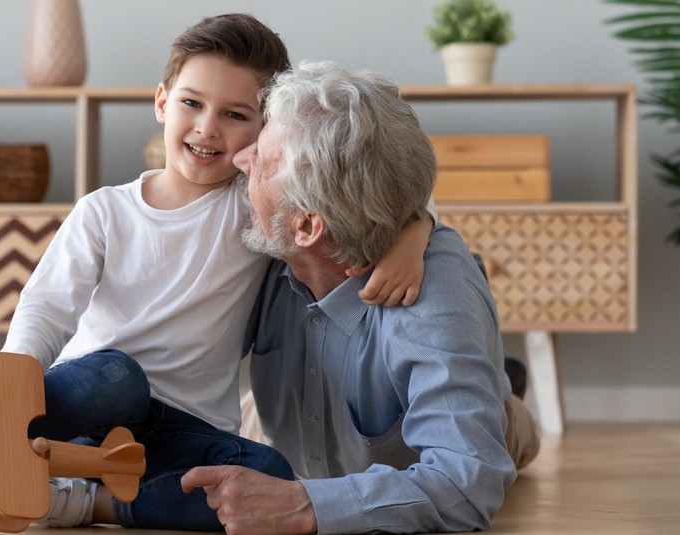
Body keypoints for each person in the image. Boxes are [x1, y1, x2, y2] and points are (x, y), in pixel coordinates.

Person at [0, 16, 431, 535]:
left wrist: (415, 231)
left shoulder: (255, 207)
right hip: (85, 406)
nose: (207, 128)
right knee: (117, 376)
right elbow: (47, 304)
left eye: (235, 115)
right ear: (161, 102)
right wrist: (17, 374)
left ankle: (82, 503)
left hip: (178, 433)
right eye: (192, 104)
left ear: (264, 132)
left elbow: (358, 202)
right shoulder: (105, 210)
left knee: (267, 473)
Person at [181, 61, 541, 534]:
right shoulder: (262, 239)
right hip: (276, 423)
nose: (242, 159)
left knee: (505, 427)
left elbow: (467, 485)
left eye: (264, 165)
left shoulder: (430, 302)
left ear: (308, 226)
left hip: (465, 417)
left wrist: (303, 506)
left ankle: (502, 395)